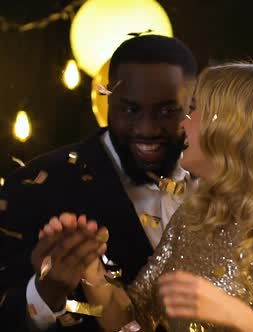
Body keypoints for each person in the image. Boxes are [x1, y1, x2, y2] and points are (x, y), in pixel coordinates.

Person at [43, 62, 253, 331]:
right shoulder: (193, 214)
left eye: (195, 110)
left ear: (231, 126)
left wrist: (236, 316)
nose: (183, 124)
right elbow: (134, 320)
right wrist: (91, 270)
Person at [0, 34, 198, 331]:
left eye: (167, 111)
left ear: (193, 105)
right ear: (108, 102)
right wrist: (45, 295)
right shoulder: (35, 188)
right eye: (130, 110)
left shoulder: (227, 183)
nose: (146, 128)